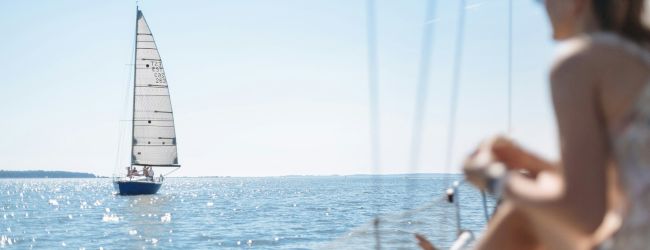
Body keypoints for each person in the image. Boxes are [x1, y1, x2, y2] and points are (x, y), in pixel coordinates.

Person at [454, 0, 650, 249]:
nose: (542, 6)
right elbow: (620, 190)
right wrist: (530, 163)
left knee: (521, 216)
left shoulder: (579, 62)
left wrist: (493, 177)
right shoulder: (639, 58)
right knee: (539, 186)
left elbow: (584, 215)